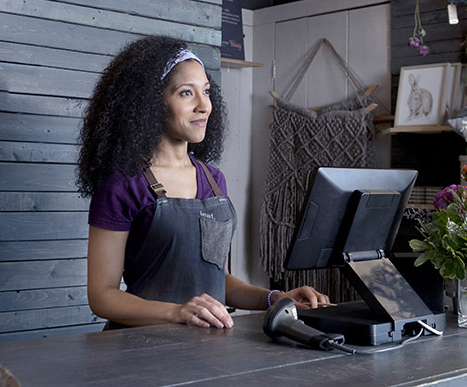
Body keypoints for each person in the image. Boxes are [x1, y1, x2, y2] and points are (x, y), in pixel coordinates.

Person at [78, 35, 329, 329]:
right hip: (140, 350)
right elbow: (102, 296)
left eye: (206, 92)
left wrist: (276, 298)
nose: (204, 106)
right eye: (186, 93)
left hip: (206, 349)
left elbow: (216, 280)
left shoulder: (213, 179)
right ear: (150, 102)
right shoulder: (123, 184)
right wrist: (176, 312)